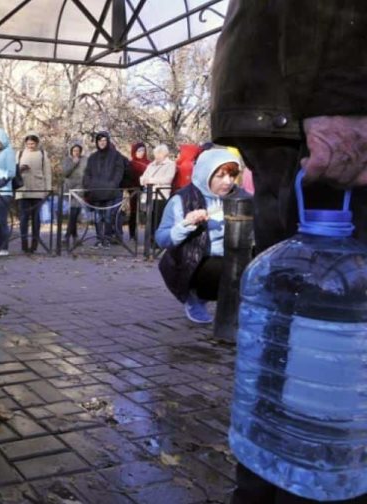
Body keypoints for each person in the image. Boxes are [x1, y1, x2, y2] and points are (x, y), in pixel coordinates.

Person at [210, 2, 367, 502]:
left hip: (293, 98)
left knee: (291, 391)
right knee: (313, 416)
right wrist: (344, 97)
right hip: (323, 107)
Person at [156, 149, 241, 324]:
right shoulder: (182, 200)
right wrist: (185, 225)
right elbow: (161, 239)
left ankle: (234, 307)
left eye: (232, 176)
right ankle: (195, 296)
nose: (228, 182)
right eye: (220, 176)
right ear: (205, 174)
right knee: (225, 269)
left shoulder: (239, 197)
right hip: (193, 261)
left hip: (230, 257)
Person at [82, 131, 128, 248]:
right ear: (97, 142)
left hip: (110, 191)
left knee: (108, 216)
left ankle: (107, 239)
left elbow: (119, 171)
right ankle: (99, 239)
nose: (102, 143)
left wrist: (113, 184)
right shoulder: (93, 157)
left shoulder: (116, 155)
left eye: (104, 140)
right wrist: (89, 186)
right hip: (96, 191)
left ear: (107, 141)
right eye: (100, 140)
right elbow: (87, 173)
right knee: (97, 217)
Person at [14, 133, 52, 253]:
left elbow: (47, 173)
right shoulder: (20, 154)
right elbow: (14, 171)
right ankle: (24, 244)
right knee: (23, 218)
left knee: (36, 219)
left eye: (33, 144)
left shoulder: (42, 154)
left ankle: (34, 244)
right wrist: (20, 169)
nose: (30, 146)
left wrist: (47, 189)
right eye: (28, 144)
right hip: (23, 190)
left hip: (38, 189)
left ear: (37, 143)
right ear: (25, 143)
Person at [0, 128, 17, 257]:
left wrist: (2, 182)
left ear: (1, 139)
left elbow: (11, 171)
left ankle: (4, 248)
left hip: (3, 192)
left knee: (1, 221)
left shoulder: (9, 152)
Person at [139, 143, 176, 237]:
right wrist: (143, 180)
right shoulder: (151, 165)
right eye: (156, 154)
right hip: (149, 194)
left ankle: (158, 240)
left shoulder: (170, 164)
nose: (157, 156)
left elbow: (168, 179)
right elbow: (143, 176)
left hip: (161, 195)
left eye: (160, 153)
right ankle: (150, 239)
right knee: (149, 219)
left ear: (165, 154)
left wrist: (151, 181)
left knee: (159, 218)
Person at [61, 141, 88, 240]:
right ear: (71, 151)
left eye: (78, 150)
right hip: (69, 189)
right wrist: (73, 163)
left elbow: (87, 172)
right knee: (74, 211)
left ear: (81, 151)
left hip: (80, 188)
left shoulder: (85, 160)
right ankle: (74, 235)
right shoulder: (67, 160)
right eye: (74, 150)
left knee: (75, 211)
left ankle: (68, 235)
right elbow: (65, 173)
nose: (76, 152)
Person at [126, 142, 149, 240]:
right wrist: (131, 188)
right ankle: (132, 234)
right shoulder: (130, 164)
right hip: (134, 190)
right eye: (139, 150)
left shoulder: (149, 163)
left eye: (143, 150)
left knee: (147, 212)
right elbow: (127, 177)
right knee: (134, 212)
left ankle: (149, 235)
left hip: (147, 190)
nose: (141, 153)